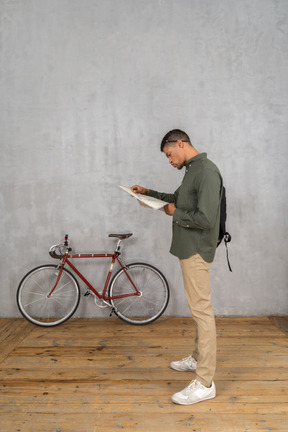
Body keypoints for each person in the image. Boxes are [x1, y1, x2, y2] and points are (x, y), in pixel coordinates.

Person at [132, 129, 222, 406]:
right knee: (198, 310)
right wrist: (151, 195)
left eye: (170, 155)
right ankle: (197, 358)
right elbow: (179, 200)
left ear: (180, 144)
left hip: (196, 250)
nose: (169, 161)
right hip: (188, 248)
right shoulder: (193, 169)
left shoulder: (205, 171)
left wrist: (173, 212)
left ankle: (205, 382)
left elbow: (206, 218)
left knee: (202, 312)